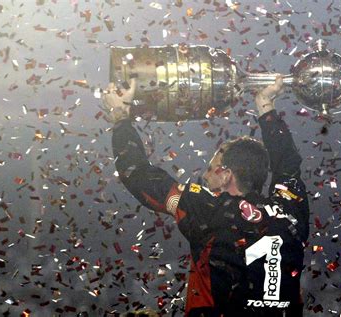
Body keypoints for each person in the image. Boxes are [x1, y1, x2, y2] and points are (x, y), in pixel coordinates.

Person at [102, 75, 309, 317]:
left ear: (226, 175)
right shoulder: (291, 211)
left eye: (211, 169)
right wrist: (266, 106)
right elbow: (288, 165)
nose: (205, 177)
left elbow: (138, 175)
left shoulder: (209, 208)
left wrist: (120, 118)